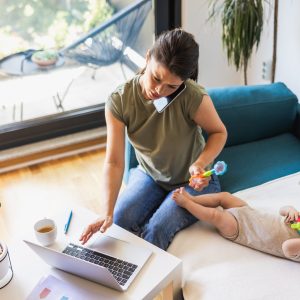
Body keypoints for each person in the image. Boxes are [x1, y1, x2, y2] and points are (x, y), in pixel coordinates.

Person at [79, 28, 227, 250]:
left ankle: (144, 282)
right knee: (119, 220)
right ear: (148, 58)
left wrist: (200, 163)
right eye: (156, 78)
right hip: (150, 175)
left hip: (192, 182)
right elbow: (114, 162)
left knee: (157, 228)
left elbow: (219, 132)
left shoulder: (192, 96)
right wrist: (106, 212)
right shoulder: (120, 101)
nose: (159, 90)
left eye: (172, 86)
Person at [172, 188, 300, 261]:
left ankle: (187, 204)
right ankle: (194, 199)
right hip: (249, 212)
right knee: (224, 196)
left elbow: (287, 247)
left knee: (215, 216)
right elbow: (281, 210)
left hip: (242, 231)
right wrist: (290, 210)